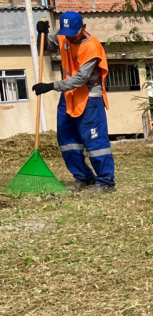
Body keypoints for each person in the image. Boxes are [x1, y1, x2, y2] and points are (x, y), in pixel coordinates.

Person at [31, 12, 115, 191]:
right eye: (66, 34)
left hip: (89, 98)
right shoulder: (64, 35)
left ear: (83, 28)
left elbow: (80, 79)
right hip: (68, 96)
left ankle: (106, 182)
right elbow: (44, 47)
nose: (69, 37)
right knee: (67, 140)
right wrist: (41, 34)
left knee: (95, 142)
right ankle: (84, 178)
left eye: (73, 34)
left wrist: (51, 86)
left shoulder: (91, 47)